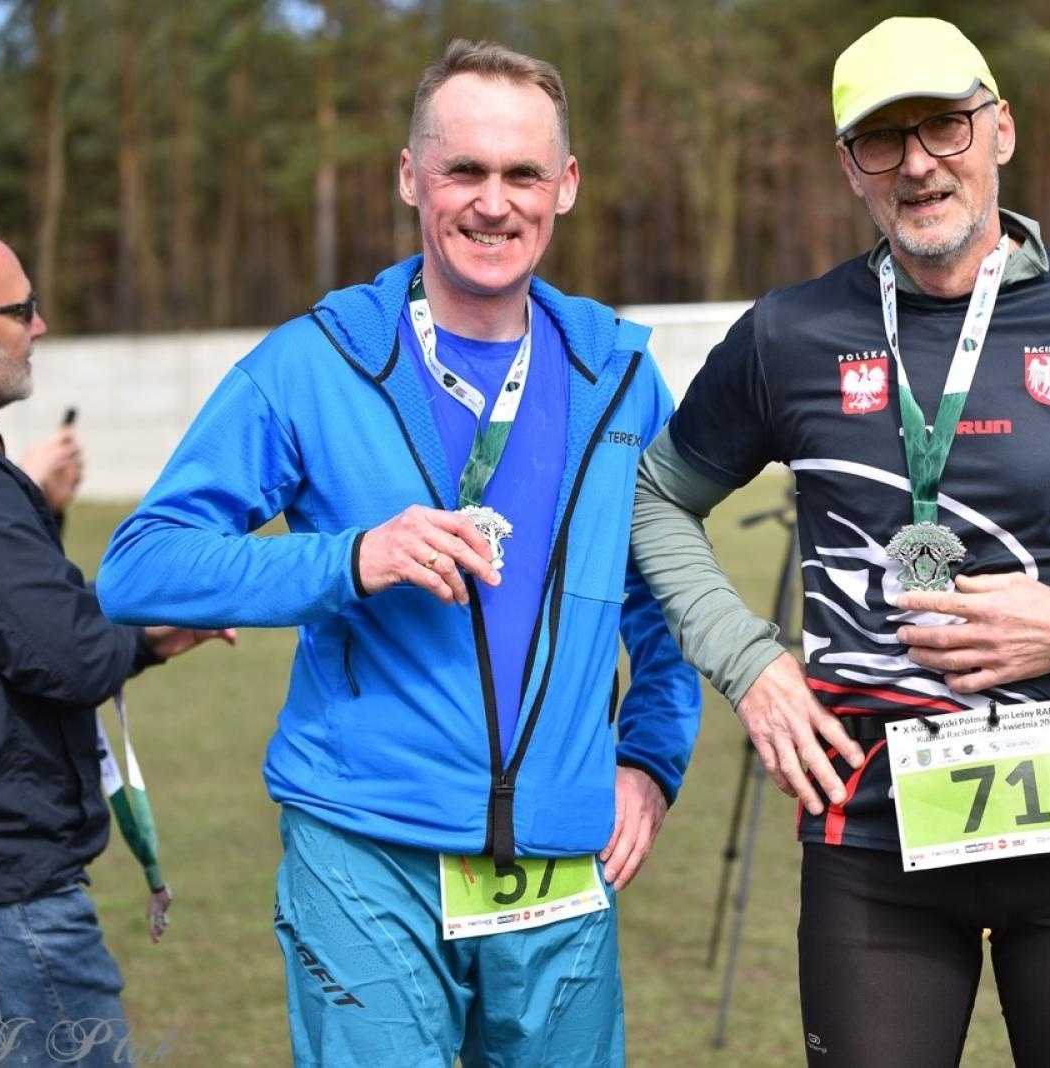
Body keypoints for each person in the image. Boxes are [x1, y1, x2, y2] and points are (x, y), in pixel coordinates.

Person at [631, 16, 1050, 1068]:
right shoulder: (789, 334)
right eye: (880, 139)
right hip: (868, 830)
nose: (916, 164)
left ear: (1001, 130)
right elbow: (653, 499)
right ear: (849, 166)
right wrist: (750, 664)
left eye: (943, 126)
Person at [95, 39, 701, 1067]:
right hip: (364, 848)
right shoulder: (313, 361)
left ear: (565, 186)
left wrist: (649, 759)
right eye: (464, 170)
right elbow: (140, 566)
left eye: (521, 174)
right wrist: (349, 560)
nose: (493, 204)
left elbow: (666, 600)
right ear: (410, 176)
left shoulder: (619, 375)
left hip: (561, 860)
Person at [0, 222, 235, 1067]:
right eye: (22, 309)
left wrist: (40, 512)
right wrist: (147, 636)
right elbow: (70, 655)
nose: (40, 326)